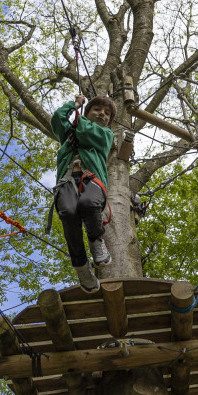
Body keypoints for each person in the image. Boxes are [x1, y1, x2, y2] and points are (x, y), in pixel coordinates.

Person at [50, 93, 116, 293]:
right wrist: (74, 104)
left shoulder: (106, 135)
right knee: (69, 213)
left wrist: (80, 117)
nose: (102, 115)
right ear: (87, 113)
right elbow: (57, 119)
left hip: (92, 179)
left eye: (107, 114)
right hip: (67, 181)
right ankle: (81, 267)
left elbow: (86, 132)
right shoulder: (71, 132)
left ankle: (96, 241)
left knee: (88, 204)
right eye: (97, 110)